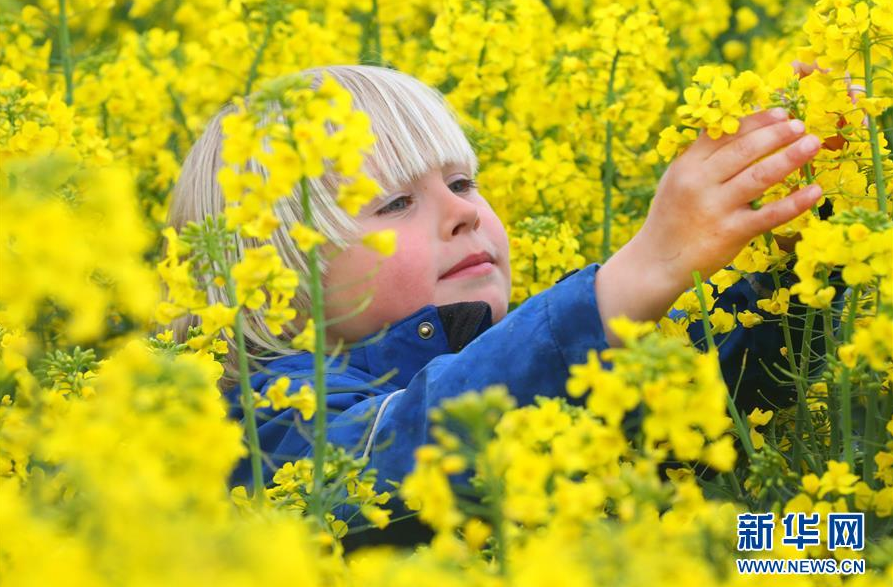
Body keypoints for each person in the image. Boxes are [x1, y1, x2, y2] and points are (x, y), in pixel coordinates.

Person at [166, 65, 842, 550]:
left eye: (462, 181)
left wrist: (812, 238)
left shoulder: (537, 362)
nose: (462, 212)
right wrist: (634, 276)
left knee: (832, 542)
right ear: (275, 288)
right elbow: (400, 444)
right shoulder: (268, 422)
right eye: (397, 202)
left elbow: (708, 381)